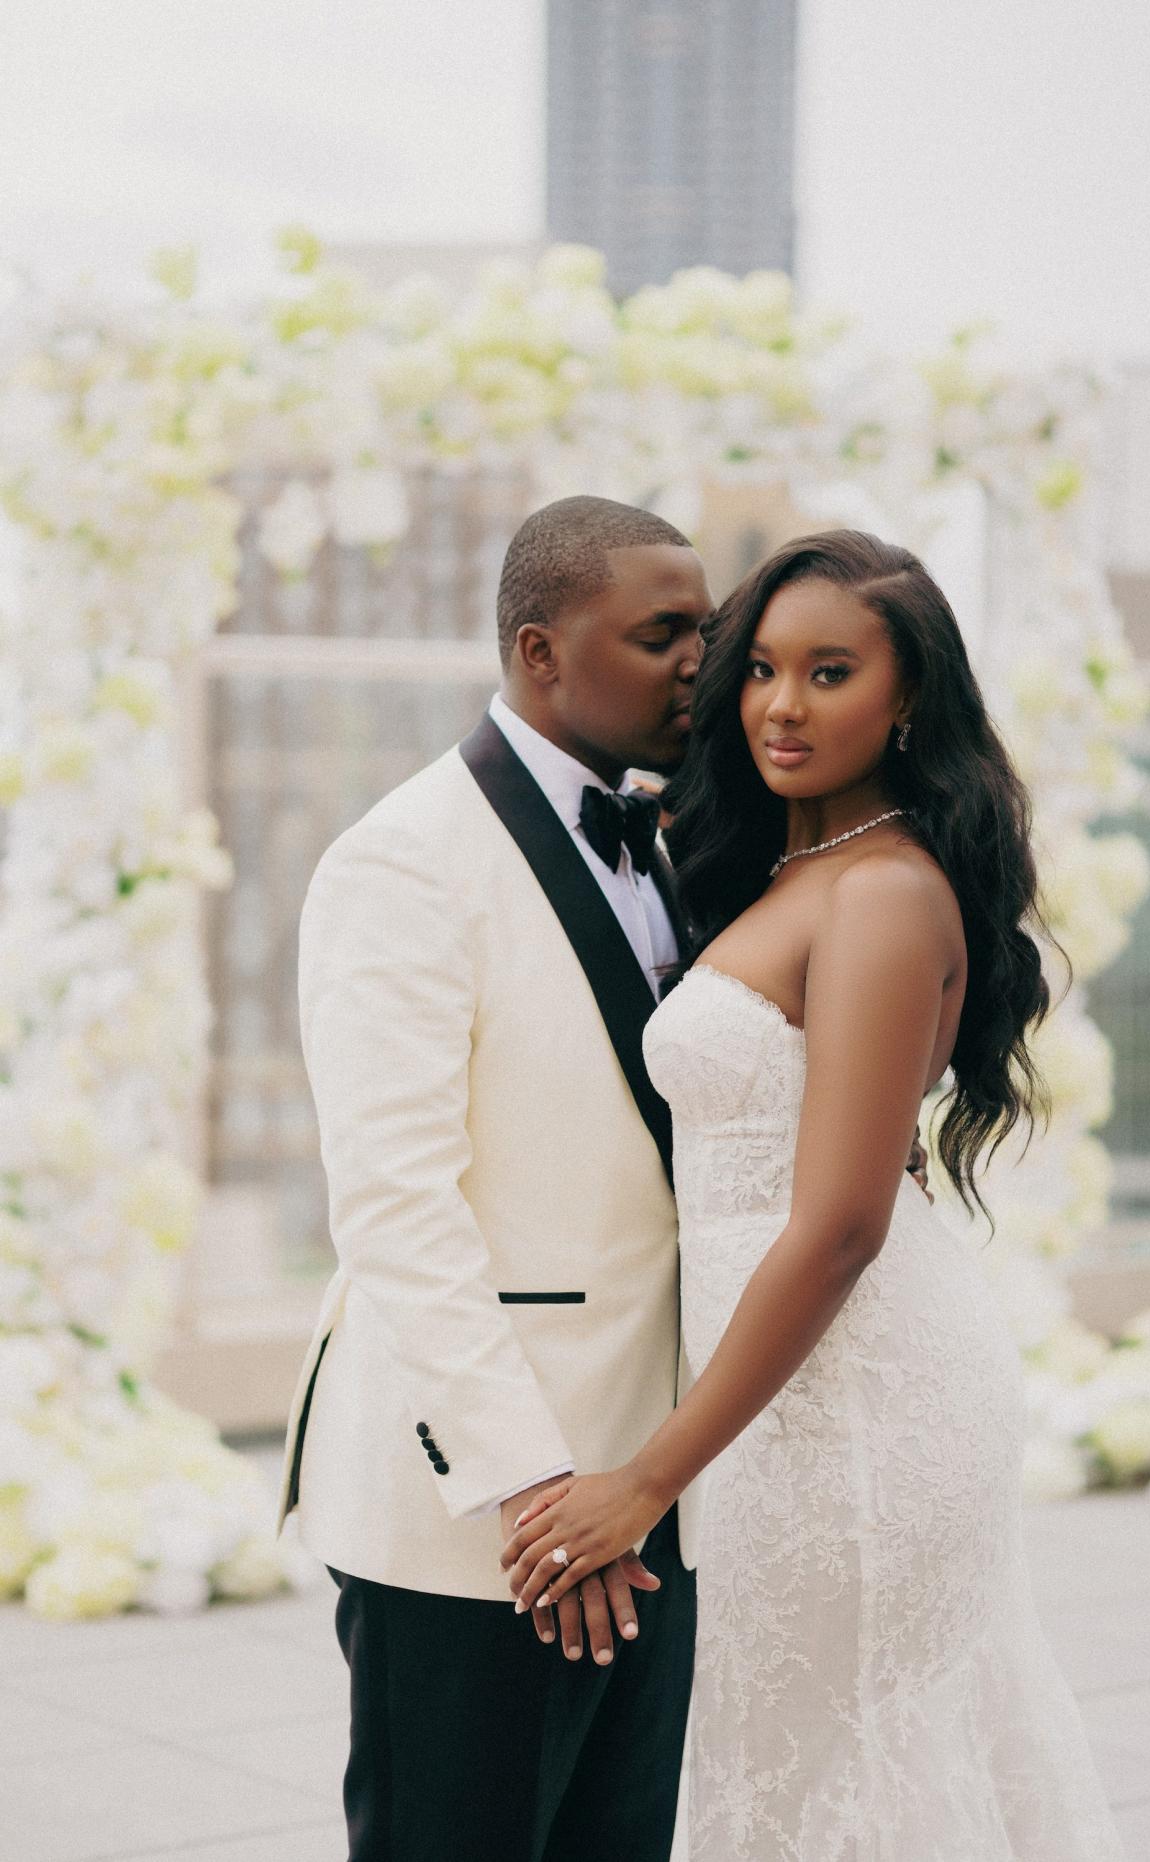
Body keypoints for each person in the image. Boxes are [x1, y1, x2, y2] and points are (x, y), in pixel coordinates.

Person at [503, 530, 1126, 1860]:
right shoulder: (790, 872)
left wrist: (645, 1476)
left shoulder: (885, 893)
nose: (782, 705)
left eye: (830, 671)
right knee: (798, 1764)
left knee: (842, 1763)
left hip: (850, 1399)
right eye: (763, 670)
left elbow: (841, 1222)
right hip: (785, 1390)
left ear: (905, 700)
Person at [276, 495, 710, 1860]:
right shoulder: (401, 861)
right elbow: (397, 1209)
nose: (700, 660)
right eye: (659, 634)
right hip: (486, 1519)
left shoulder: (686, 838)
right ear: (538, 649)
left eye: (707, 627)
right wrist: (536, 1494)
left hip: (655, 1491)